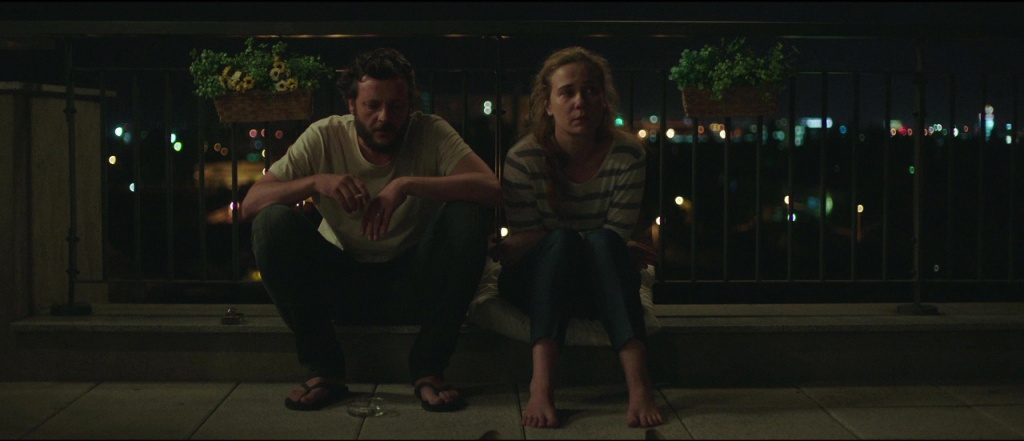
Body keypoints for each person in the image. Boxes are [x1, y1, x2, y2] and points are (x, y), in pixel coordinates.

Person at [240, 47, 501, 412]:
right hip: (344, 283)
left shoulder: (429, 131)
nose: (384, 117)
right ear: (351, 104)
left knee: (467, 213)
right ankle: (324, 369)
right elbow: (251, 205)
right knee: (271, 223)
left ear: (410, 105)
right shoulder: (325, 135)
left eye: (396, 106)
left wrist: (407, 185)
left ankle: (429, 369)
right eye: (372, 106)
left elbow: (491, 189)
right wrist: (315, 182)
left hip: (414, 281)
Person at [488, 46, 663, 428]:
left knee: (598, 243)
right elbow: (524, 245)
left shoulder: (627, 155)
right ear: (547, 105)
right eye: (567, 93)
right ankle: (541, 386)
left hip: (599, 281)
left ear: (604, 101)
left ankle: (639, 386)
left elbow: (613, 236)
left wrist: (551, 237)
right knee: (565, 244)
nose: (579, 101)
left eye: (590, 91)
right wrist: (560, 239)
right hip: (536, 283)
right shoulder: (523, 158)